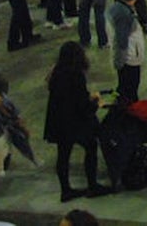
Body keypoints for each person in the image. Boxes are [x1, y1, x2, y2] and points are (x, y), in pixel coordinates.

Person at [44, 42, 110, 202]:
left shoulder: (56, 72)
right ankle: (92, 186)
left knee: (63, 155)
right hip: (74, 123)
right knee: (91, 146)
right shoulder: (76, 75)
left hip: (59, 121)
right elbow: (82, 104)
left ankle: (65, 190)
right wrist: (94, 101)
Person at [106, 0, 144, 103]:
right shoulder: (125, 15)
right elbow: (122, 40)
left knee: (124, 87)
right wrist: (119, 61)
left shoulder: (116, 8)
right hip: (129, 59)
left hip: (125, 58)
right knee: (130, 90)